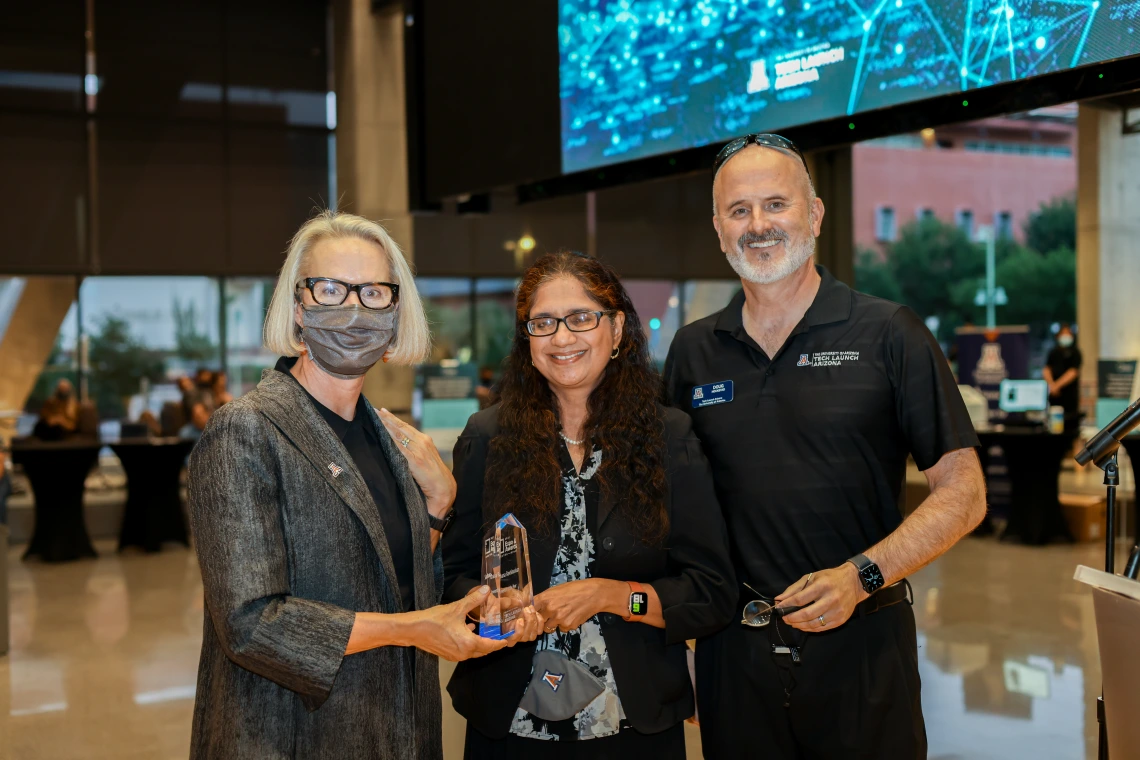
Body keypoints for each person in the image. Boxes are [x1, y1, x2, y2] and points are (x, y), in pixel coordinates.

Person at [663, 134, 987, 759]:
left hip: (863, 645)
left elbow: (965, 492)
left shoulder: (890, 333)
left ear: (813, 214)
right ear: (718, 229)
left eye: (776, 204)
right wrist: (683, 646)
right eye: (739, 210)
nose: (758, 225)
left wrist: (861, 577)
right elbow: (673, 512)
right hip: (734, 654)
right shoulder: (693, 350)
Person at [186, 210, 539, 760]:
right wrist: (417, 628)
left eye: (374, 292)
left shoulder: (390, 441)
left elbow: (387, 581)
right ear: (298, 308)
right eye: (330, 289)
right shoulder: (247, 430)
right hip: (289, 734)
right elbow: (251, 625)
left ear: (396, 313)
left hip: (395, 726)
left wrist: (441, 512)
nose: (353, 310)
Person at [443, 251, 736, 759]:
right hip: (508, 726)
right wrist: (488, 605)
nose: (561, 338)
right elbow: (452, 573)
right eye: (543, 323)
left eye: (581, 318)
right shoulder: (487, 438)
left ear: (617, 329)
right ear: (526, 338)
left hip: (635, 728)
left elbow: (710, 591)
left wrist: (614, 596)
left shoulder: (669, 438)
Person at [1043, 323, 1082, 436]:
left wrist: (1057, 385)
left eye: (1067, 334)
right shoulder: (1053, 352)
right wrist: (1051, 385)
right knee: (1054, 427)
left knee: (1071, 429)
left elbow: (1073, 372)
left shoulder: (1075, 352)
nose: (1065, 336)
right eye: (1063, 334)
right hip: (1055, 397)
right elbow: (1046, 369)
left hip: (1069, 397)